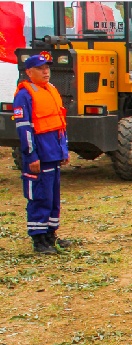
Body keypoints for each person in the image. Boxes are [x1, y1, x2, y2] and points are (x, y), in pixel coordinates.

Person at [13, 53, 70, 254]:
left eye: (47, 68)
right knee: (40, 196)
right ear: (29, 72)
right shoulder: (24, 95)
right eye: (40, 68)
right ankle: (39, 240)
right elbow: (24, 129)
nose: (46, 72)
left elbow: (59, 124)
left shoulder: (51, 90)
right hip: (40, 156)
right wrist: (31, 156)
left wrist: (64, 149)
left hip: (54, 153)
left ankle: (50, 235)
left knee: (53, 197)